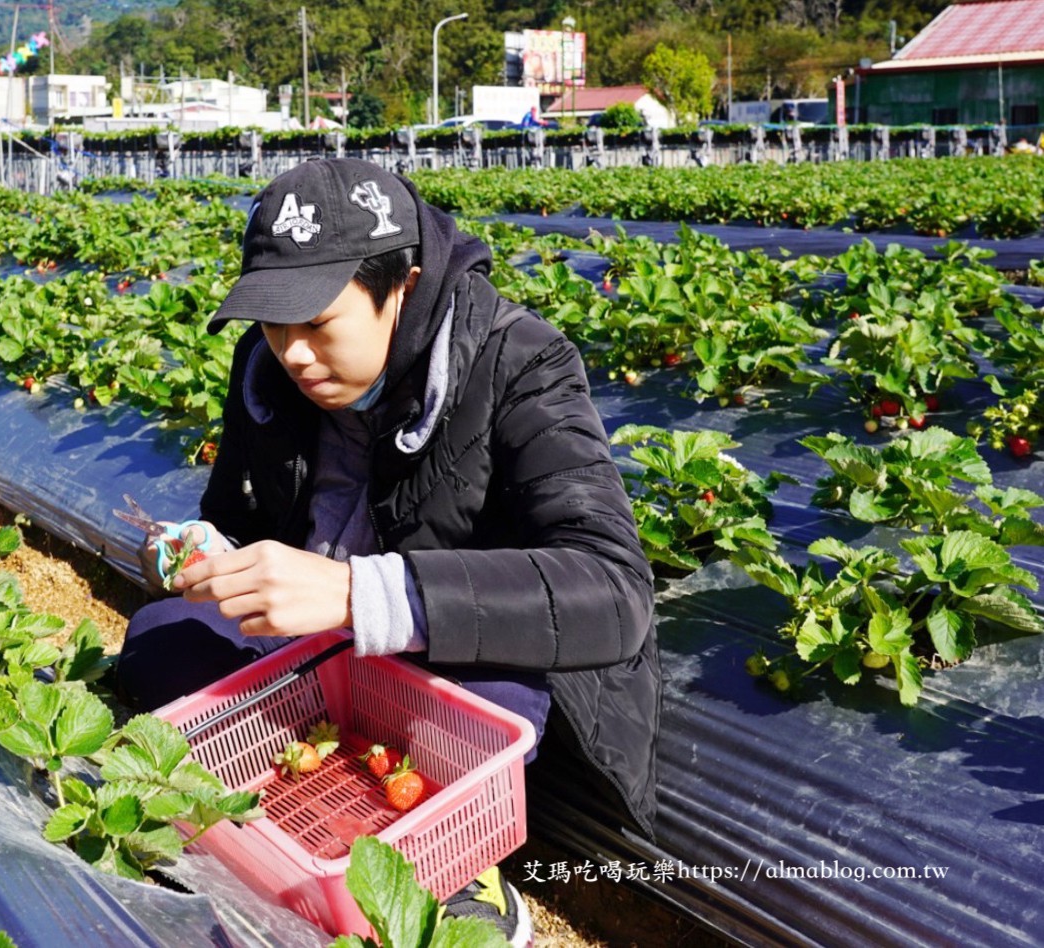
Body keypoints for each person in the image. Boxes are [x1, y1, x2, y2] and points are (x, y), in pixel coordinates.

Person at [115, 158, 658, 945]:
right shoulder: (267, 371)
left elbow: (613, 592)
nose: (294, 353)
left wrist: (355, 595)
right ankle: (278, 797)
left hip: (455, 655)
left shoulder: (521, 365)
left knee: (482, 706)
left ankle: (463, 869)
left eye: (317, 324)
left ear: (401, 286)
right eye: (273, 322)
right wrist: (201, 555)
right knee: (159, 640)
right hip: (324, 646)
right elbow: (235, 518)